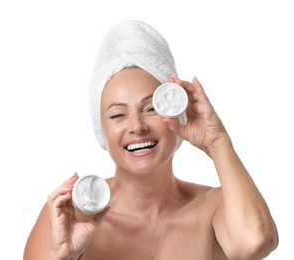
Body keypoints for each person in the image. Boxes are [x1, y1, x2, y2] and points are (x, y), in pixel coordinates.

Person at [23, 20, 279, 260]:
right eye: (118, 114)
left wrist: (217, 142)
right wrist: (62, 256)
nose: (136, 126)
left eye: (151, 108)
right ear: (100, 128)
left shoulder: (214, 208)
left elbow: (255, 242)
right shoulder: (70, 218)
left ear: (176, 110)